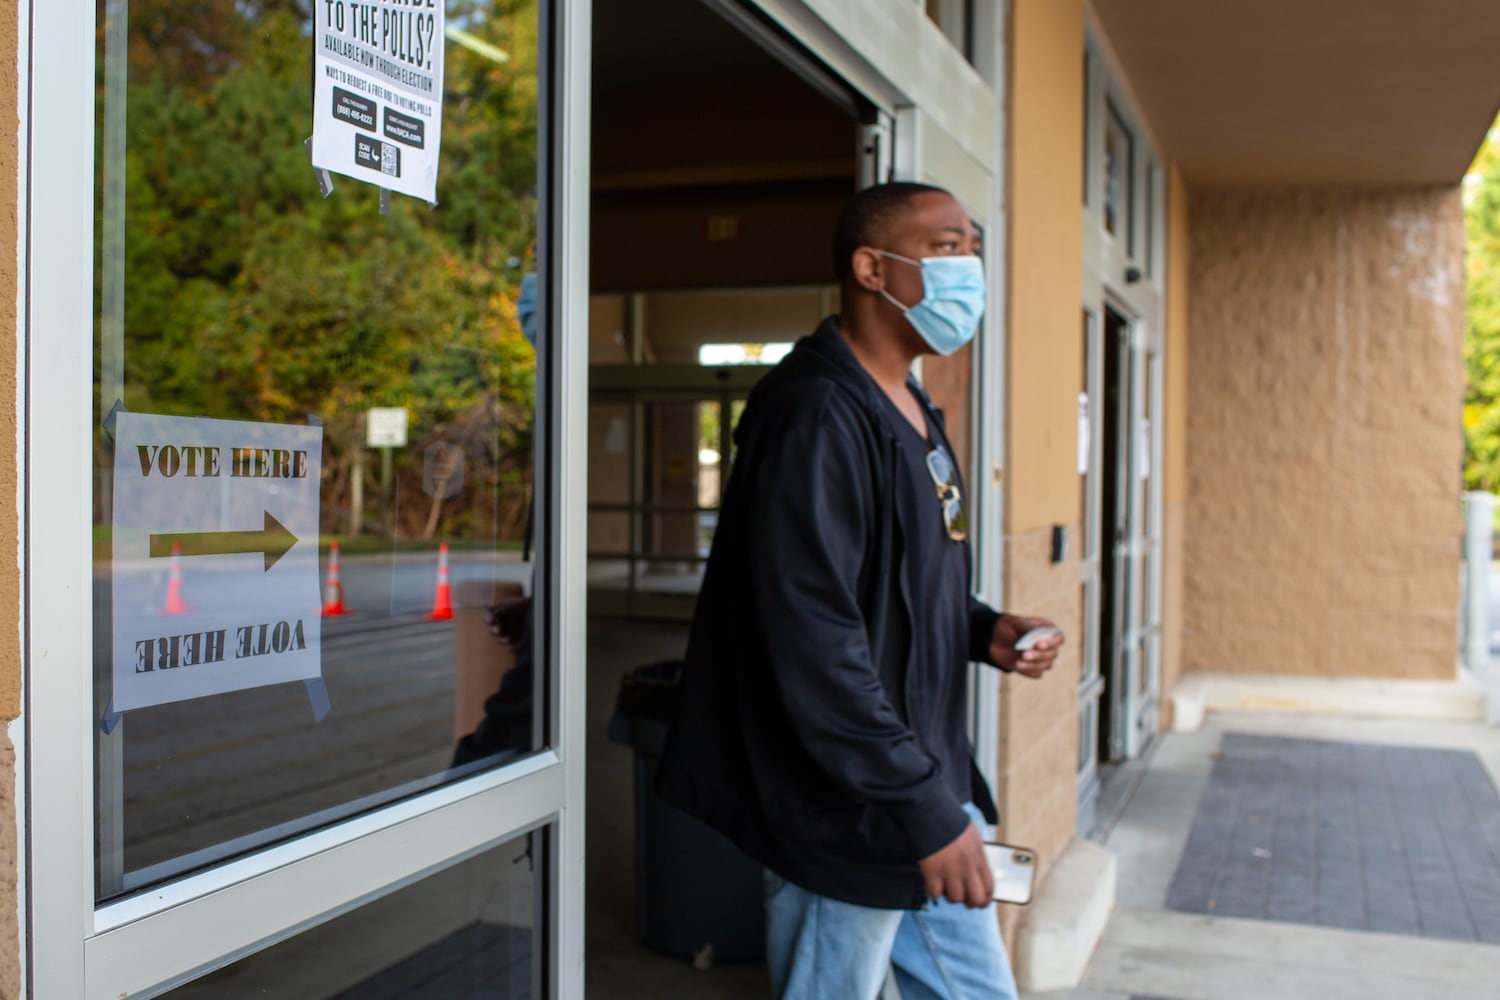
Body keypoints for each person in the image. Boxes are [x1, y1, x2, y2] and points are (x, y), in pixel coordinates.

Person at [654, 182, 1063, 1000]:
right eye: (948, 247)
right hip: (845, 812)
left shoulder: (913, 405)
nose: (969, 267)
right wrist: (922, 808)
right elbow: (811, 639)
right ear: (873, 268)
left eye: (971, 248)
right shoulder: (813, 416)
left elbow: (896, 586)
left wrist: (983, 630)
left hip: (924, 797)